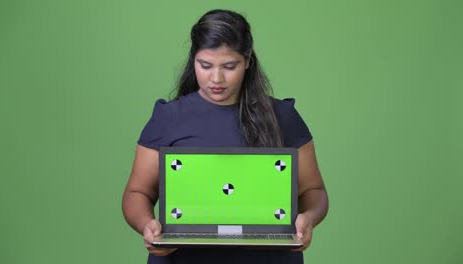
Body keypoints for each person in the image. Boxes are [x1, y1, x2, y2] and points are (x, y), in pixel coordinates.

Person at [122, 9, 329, 264]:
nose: (216, 78)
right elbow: (137, 192)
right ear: (193, 60)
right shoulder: (168, 117)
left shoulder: (283, 116)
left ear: (248, 61)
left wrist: (308, 218)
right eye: (205, 65)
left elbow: (314, 190)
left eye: (229, 66)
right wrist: (147, 225)